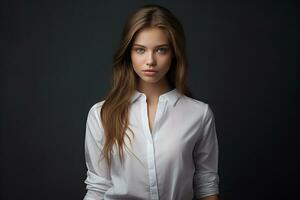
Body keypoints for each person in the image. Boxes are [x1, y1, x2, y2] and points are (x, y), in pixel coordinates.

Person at [83, 4, 220, 200]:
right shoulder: (102, 114)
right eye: (140, 50)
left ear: (174, 53)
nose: (150, 61)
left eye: (161, 50)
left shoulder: (199, 114)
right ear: (128, 53)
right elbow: (97, 188)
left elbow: (206, 185)